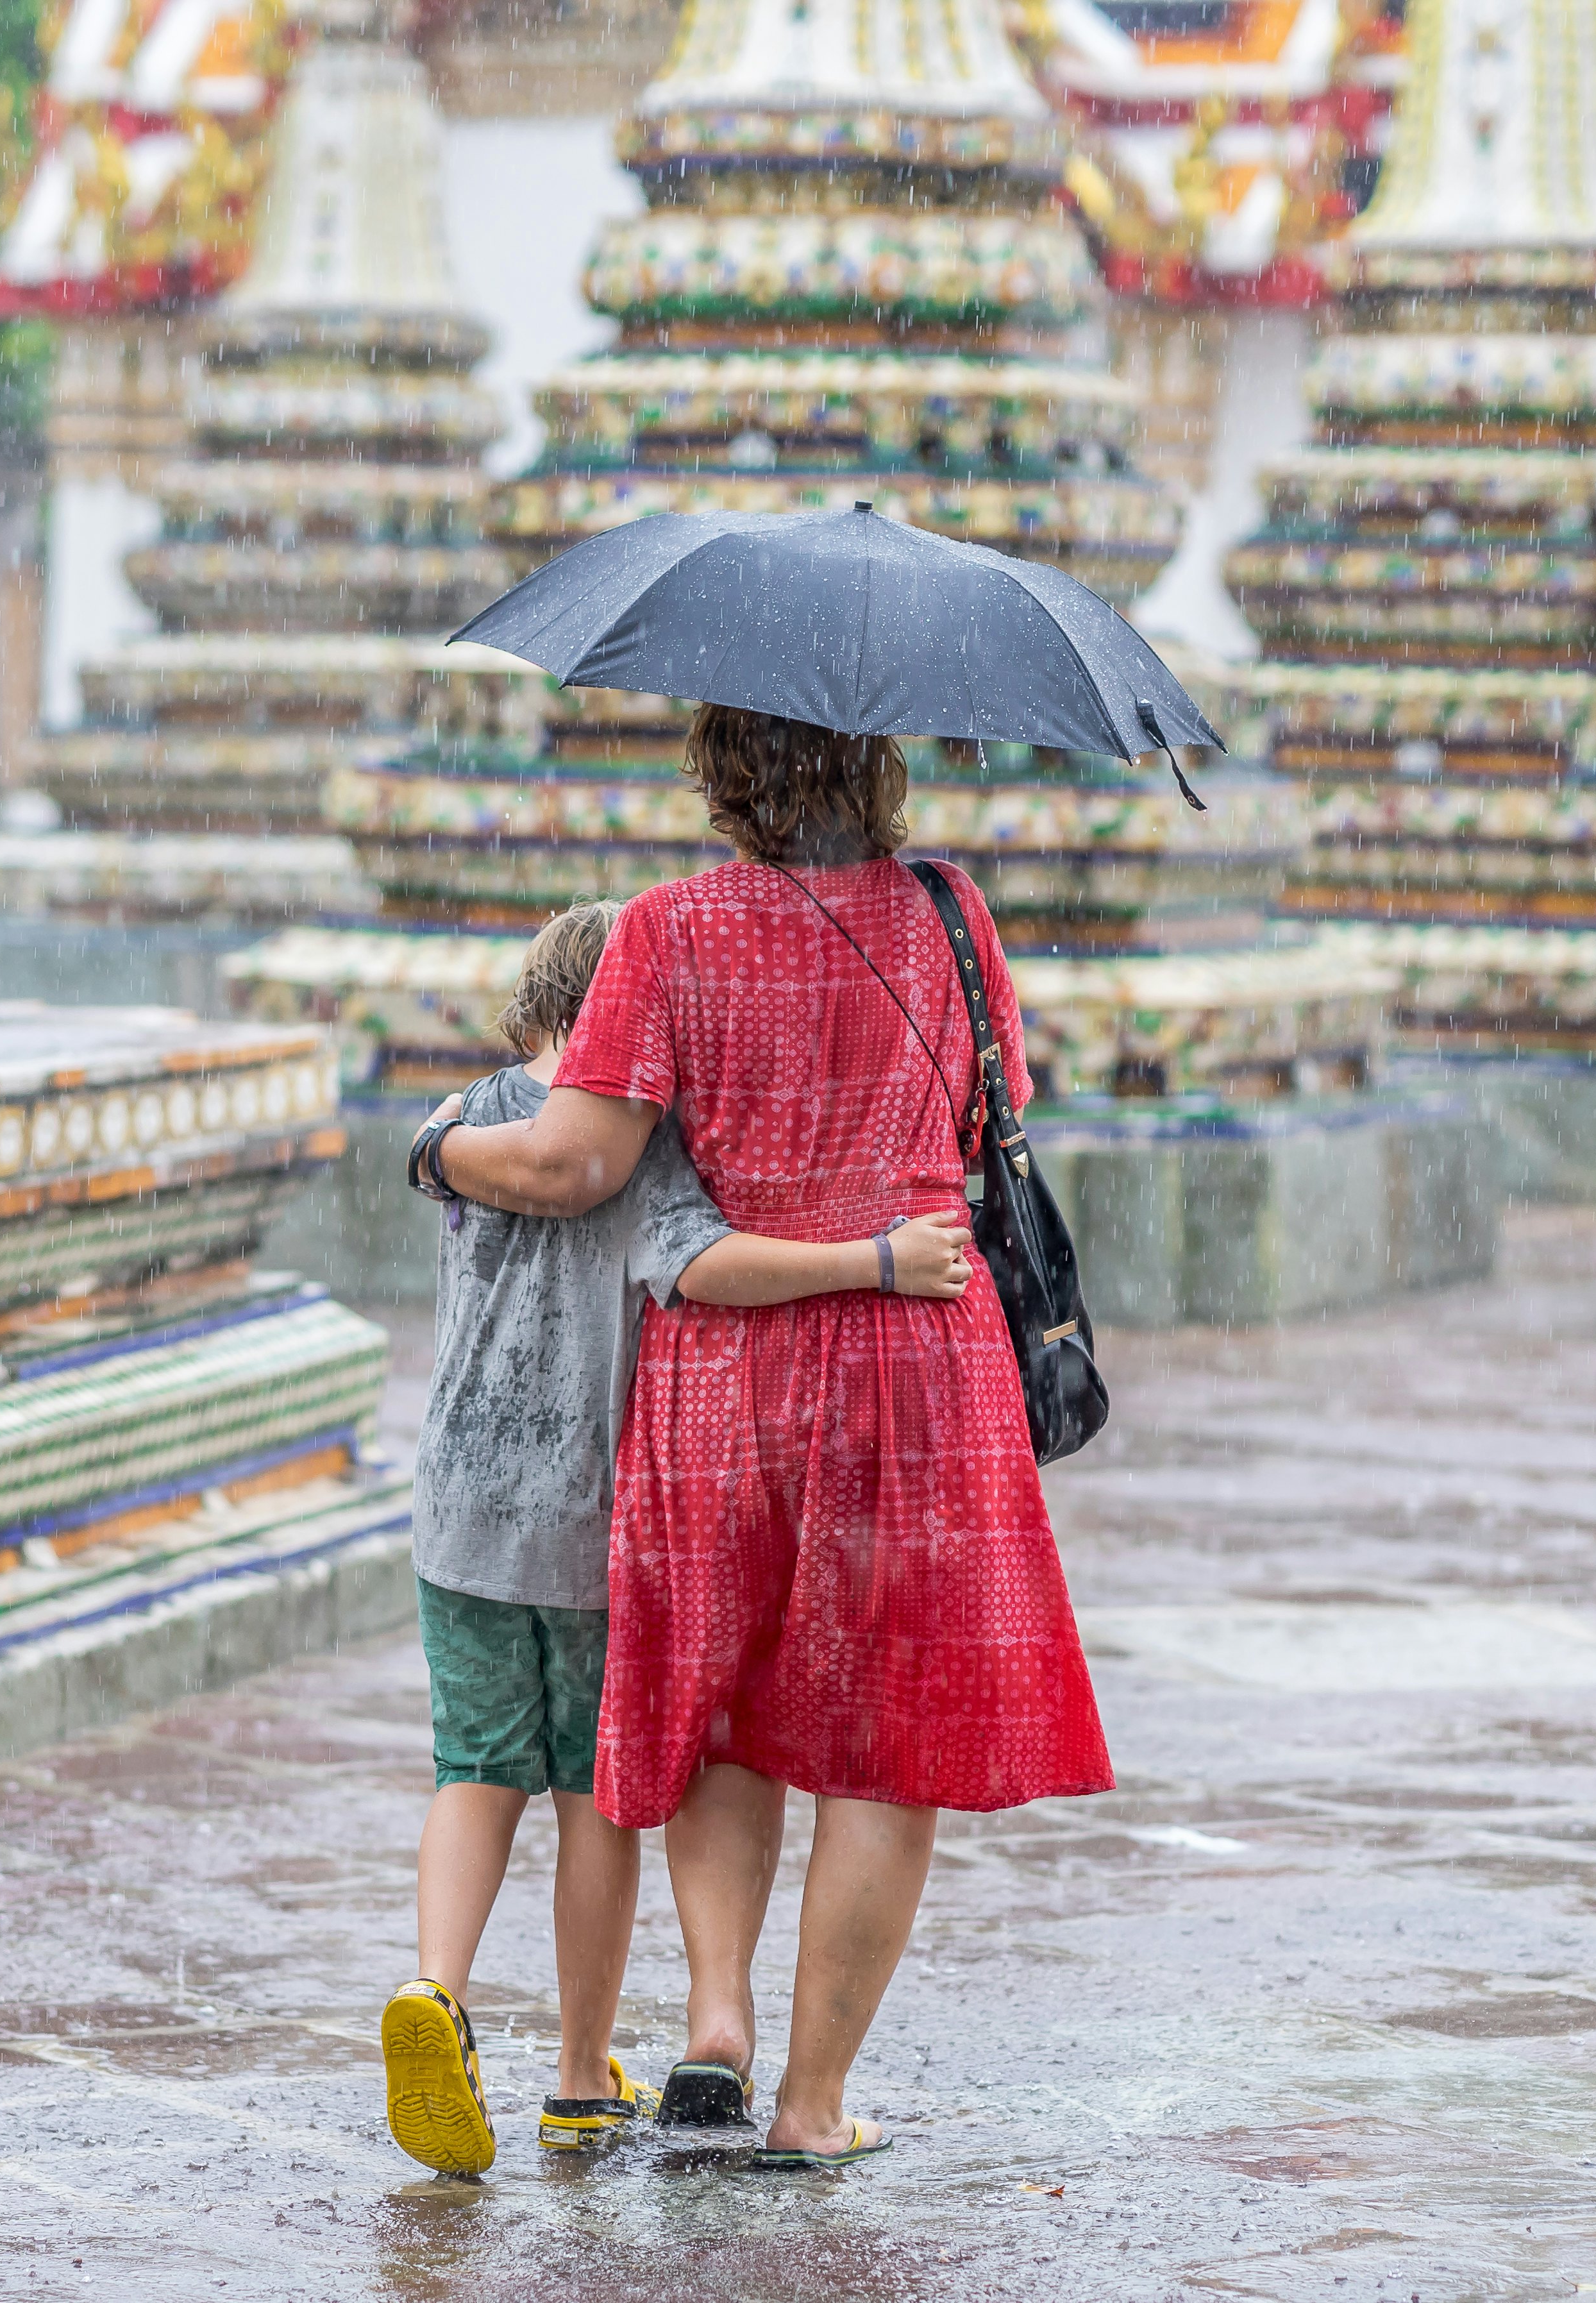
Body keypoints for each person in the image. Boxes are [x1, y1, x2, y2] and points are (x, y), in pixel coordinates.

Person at [419, 707, 1115, 2173]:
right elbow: (993, 1112)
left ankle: (712, 2022)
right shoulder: (947, 910)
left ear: (719, 773)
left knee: (724, 1699)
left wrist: (432, 1148)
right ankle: (809, 2098)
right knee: (881, 1743)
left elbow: (574, 1160)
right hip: (911, 1352)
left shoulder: (665, 931)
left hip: (721, 1367)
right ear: (878, 763)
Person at [384, 897, 977, 2179]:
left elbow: (441, 1161)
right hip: (594, 1523)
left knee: (469, 1768)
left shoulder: (471, 1112)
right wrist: (870, 1257)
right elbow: (700, 1265)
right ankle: (577, 2071)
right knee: (596, 1798)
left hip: (460, 1515)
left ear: (534, 1000)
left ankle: (433, 1992)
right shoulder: (640, 1135)